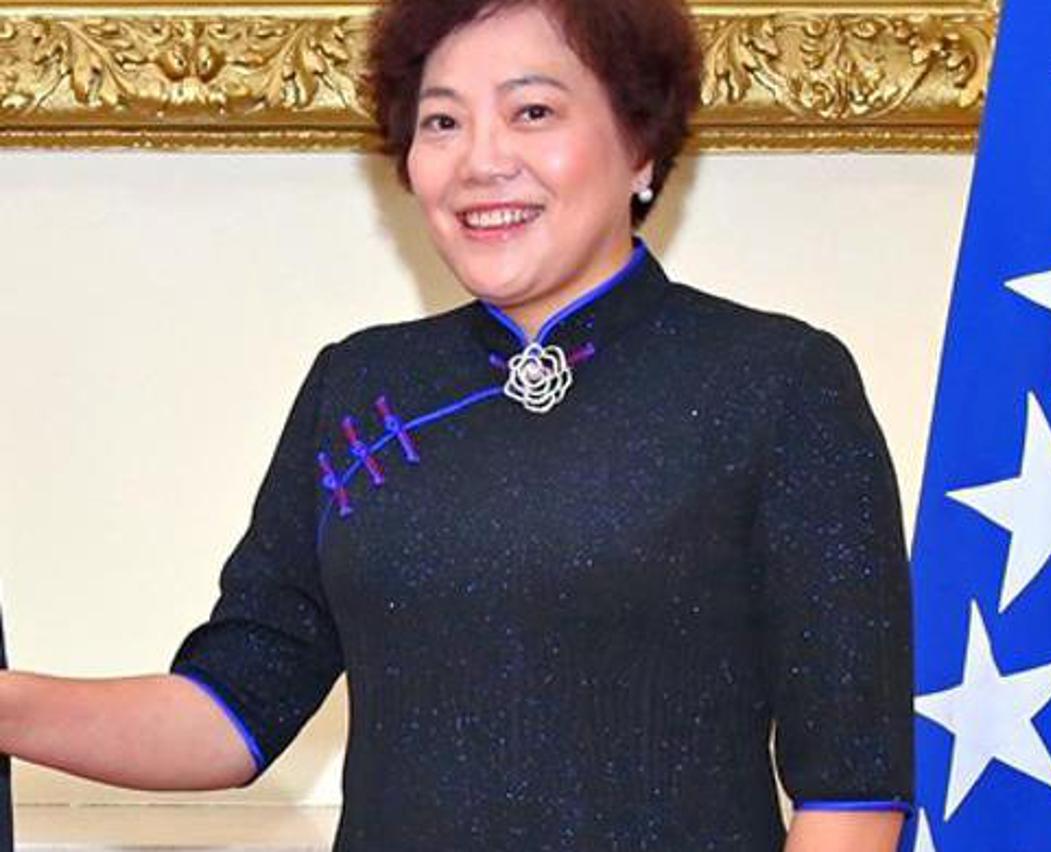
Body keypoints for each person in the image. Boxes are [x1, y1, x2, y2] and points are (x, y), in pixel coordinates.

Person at [0, 0, 914, 847]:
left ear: (641, 145)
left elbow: (853, 789)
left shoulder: (779, 385)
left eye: (532, 112)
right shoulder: (360, 387)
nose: (480, 160)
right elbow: (231, 712)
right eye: (442, 122)